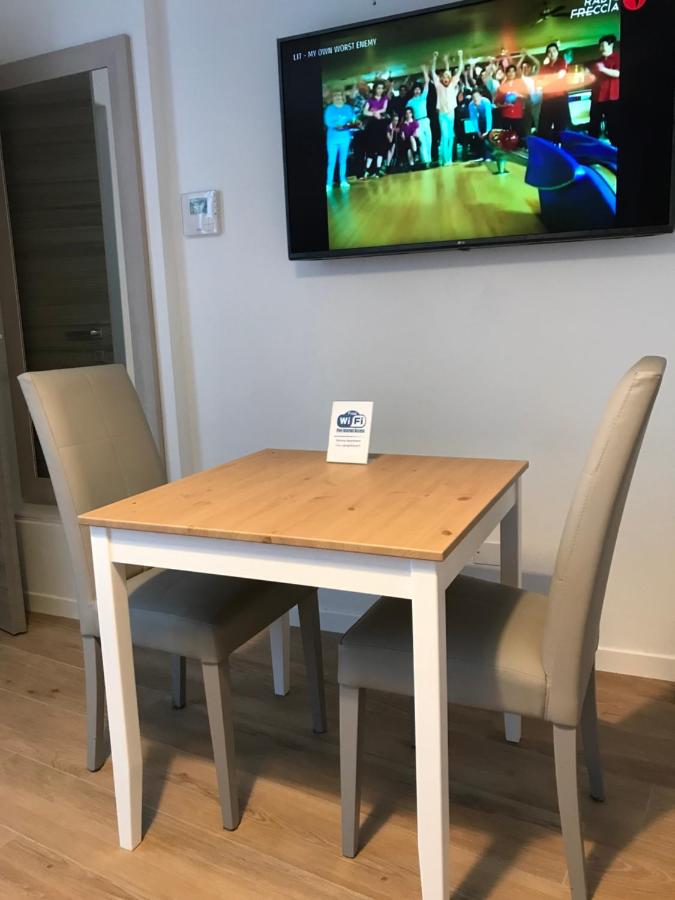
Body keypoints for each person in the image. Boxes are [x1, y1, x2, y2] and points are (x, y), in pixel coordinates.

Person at [431, 49, 463, 165]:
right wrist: (434, 59)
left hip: (451, 113)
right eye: (444, 76)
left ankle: (448, 158)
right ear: (442, 78)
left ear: (449, 78)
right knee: (444, 136)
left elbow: (460, 69)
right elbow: (432, 72)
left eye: (447, 76)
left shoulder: (452, 84)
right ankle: (445, 159)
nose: (445, 78)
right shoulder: (438, 85)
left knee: (450, 136)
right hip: (442, 114)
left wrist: (460, 56)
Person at [589, 35, 620, 145]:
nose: (600, 48)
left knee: (613, 125)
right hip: (596, 98)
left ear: (611, 45)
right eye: (600, 46)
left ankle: (616, 148)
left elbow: (618, 73)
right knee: (593, 125)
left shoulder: (618, 58)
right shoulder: (598, 61)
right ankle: (592, 147)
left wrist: (603, 69)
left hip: (612, 98)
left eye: (603, 45)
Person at [323, 89, 356, 191]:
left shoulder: (348, 108)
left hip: (345, 138)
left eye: (340, 95)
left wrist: (351, 123)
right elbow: (327, 121)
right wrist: (337, 125)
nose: (338, 97)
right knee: (331, 161)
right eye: (335, 95)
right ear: (333, 98)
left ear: (343, 97)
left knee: (343, 160)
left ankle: (343, 181)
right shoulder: (329, 109)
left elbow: (353, 119)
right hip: (332, 139)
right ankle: (329, 183)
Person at [537, 42, 570, 143]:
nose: (551, 53)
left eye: (554, 51)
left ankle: (559, 148)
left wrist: (546, 81)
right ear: (547, 54)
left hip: (560, 99)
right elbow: (539, 83)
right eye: (549, 52)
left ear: (557, 52)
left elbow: (560, 75)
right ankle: (545, 148)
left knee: (560, 126)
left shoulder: (562, 62)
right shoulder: (544, 68)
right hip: (547, 100)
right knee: (543, 127)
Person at [407, 64, 432, 166]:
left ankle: (429, 160)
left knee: (429, 140)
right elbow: (407, 113)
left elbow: (427, 83)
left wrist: (425, 71)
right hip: (417, 122)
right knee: (422, 142)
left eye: (418, 89)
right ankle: (425, 161)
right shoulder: (410, 102)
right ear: (413, 90)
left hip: (425, 120)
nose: (417, 90)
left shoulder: (423, 97)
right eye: (415, 89)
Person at [363, 80, 389, 177]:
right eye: (378, 88)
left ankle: (378, 169)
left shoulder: (385, 98)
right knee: (371, 148)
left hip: (381, 125)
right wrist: (373, 113)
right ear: (375, 89)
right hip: (372, 125)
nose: (380, 90)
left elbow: (384, 109)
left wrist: (376, 112)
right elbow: (365, 111)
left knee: (381, 148)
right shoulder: (370, 100)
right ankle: (367, 170)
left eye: (381, 88)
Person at [495, 65, 527, 145]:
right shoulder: (502, 86)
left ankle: (521, 147)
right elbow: (496, 102)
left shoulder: (520, 84)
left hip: (517, 114)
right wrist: (504, 105)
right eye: (509, 71)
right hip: (506, 114)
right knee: (506, 134)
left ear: (515, 73)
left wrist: (518, 95)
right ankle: (508, 148)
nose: (511, 73)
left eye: (513, 71)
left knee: (520, 134)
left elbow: (526, 96)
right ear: (506, 73)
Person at [467, 89, 493, 162]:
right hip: (480, 119)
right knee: (479, 137)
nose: (475, 99)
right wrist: (478, 131)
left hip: (489, 117)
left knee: (488, 137)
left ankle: (488, 156)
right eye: (473, 98)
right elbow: (473, 119)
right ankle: (481, 154)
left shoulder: (486, 102)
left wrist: (487, 131)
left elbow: (489, 117)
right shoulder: (471, 105)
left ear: (480, 97)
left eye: (477, 97)